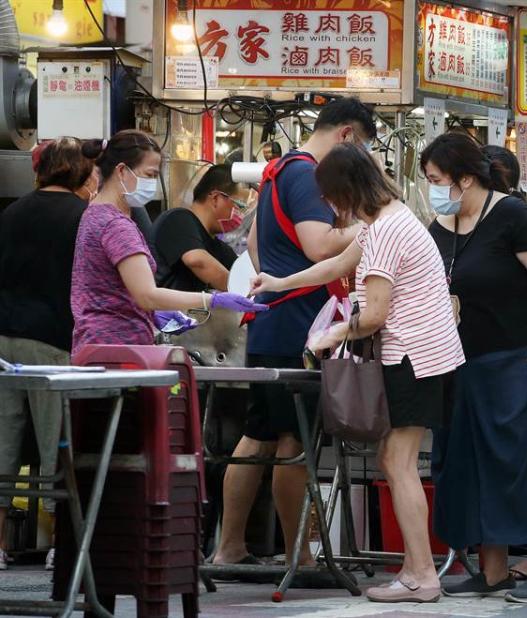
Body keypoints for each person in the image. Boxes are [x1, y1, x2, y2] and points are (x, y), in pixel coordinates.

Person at [250, 143, 464, 602]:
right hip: (426, 356)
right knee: (394, 460)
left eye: (329, 196)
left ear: (345, 190)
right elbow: (338, 264)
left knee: (397, 463)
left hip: (413, 357)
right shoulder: (388, 219)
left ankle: (423, 576)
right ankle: (415, 570)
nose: (329, 206)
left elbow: (375, 314)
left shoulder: (385, 231)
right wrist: (279, 282)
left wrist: (332, 335)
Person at [212, 97, 376, 569]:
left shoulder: (277, 169)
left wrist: (278, 281)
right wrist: (372, 226)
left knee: (258, 433)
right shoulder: (307, 174)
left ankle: (230, 547)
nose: (359, 159)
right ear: (346, 134)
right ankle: (298, 556)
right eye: (361, 146)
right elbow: (318, 244)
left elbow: (255, 247)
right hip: (298, 325)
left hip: (271, 317)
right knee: (294, 440)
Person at [423, 132, 527, 604]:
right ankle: (493, 570)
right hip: (459, 364)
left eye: (437, 179)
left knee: (520, 459)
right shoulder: (441, 225)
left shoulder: (512, 217)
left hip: (515, 358)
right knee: (468, 463)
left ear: (466, 179)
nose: (433, 187)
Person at [70, 130, 265, 355]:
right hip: (117, 347)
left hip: (96, 343)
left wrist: (154, 314)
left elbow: (114, 290)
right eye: (150, 174)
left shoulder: (93, 214)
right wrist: (213, 300)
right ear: (122, 171)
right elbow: (147, 295)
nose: (152, 184)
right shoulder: (116, 225)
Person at [0, 137, 98, 571]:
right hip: (54, 341)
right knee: (57, 445)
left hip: (4, 337)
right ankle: (62, 544)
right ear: (78, 172)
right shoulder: (84, 217)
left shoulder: (11, 212)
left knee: (3, 446)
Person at [150, 164, 242, 292]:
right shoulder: (177, 219)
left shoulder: (220, 249)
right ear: (216, 198)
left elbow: (242, 275)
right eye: (239, 205)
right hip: (165, 311)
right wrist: (241, 290)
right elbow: (197, 261)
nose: (240, 213)